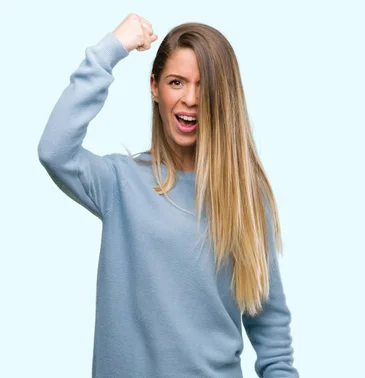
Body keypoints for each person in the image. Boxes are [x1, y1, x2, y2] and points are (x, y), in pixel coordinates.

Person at [37, 13, 299, 378]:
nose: (190, 99)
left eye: (204, 86)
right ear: (154, 87)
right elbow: (55, 150)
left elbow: (270, 331)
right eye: (177, 82)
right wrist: (110, 50)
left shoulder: (244, 196)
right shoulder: (120, 183)